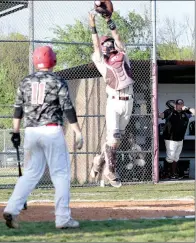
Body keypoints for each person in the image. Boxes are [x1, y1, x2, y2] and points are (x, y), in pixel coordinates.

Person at [3, 45, 83, 229]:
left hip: (31, 131)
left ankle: (11, 209)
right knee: (60, 174)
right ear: (53, 61)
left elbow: (17, 109)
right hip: (51, 130)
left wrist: (15, 133)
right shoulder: (58, 81)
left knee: (30, 174)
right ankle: (62, 218)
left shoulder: (25, 81)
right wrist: (78, 132)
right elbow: (67, 108)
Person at [88, 10, 134, 187]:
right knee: (114, 139)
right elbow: (95, 45)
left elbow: (118, 36)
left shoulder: (123, 55)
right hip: (113, 102)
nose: (107, 45)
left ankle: (98, 161)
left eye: (109, 42)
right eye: (104, 43)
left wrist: (109, 20)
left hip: (128, 101)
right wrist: (93, 25)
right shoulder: (100, 61)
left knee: (113, 141)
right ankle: (109, 170)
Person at [159, 99, 195, 179]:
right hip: (170, 138)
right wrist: (158, 113)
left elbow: (194, 112)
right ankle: (167, 173)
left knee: (176, 157)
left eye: (182, 104)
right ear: (175, 105)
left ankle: (173, 173)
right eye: (178, 104)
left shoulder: (185, 113)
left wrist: (187, 108)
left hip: (180, 138)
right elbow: (161, 115)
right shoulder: (169, 111)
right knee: (170, 157)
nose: (180, 105)